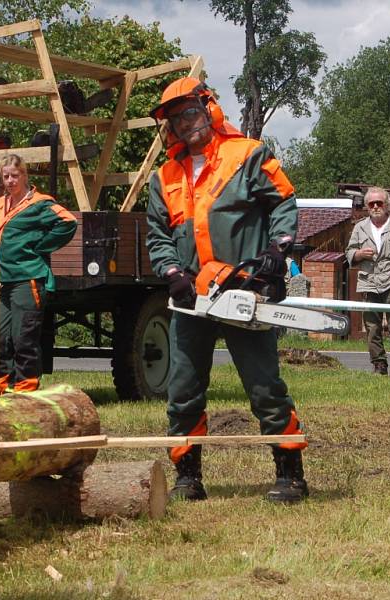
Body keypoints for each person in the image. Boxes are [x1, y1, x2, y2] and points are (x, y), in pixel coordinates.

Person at [146, 77, 308, 503]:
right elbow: (157, 235)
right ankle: (187, 476)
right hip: (190, 296)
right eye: (178, 119)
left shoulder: (247, 154)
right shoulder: (163, 176)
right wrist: (171, 271)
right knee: (183, 388)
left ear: (209, 109)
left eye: (192, 113)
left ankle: (290, 473)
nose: (187, 124)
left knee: (263, 386)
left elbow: (283, 200)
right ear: (171, 128)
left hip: (243, 290)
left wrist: (278, 248)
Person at [0, 154, 77, 393]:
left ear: (25, 176)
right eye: (6, 176)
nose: (10, 180)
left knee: (23, 337)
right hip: (1, 282)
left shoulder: (39, 204)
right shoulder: (1, 202)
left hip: (27, 278)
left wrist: (41, 246)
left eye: (15, 175)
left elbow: (68, 221)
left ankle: (25, 387)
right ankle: (1, 386)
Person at [346, 187, 390, 377]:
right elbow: (349, 252)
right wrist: (358, 254)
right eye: (371, 204)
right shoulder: (360, 227)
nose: (375, 206)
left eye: (379, 203)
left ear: (387, 205)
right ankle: (379, 366)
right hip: (368, 281)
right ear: (367, 206)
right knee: (372, 328)